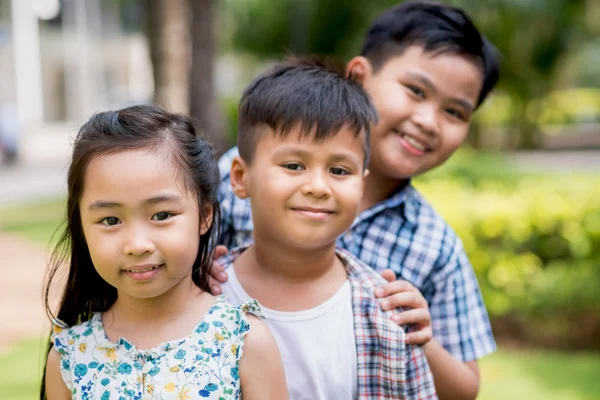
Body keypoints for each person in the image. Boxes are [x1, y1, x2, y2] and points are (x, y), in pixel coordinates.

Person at [211, 2, 501, 399]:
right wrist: (193, 272)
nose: (428, 121)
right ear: (361, 76)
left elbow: (465, 390)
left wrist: (417, 336)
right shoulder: (244, 174)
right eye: (416, 91)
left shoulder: (434, 245)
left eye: (454, 112)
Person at [217, 57, 437, 399]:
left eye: (339, 171)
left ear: (361, 186)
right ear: (241, 177)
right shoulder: (201, 295)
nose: (318, 186)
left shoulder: (384, 316)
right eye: (294, 165)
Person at [40, 105, 288, 400]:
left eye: (161, 215)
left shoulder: (242, 342)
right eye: (110, 220)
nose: (137, 244)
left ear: (204, 216)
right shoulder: (70, 357)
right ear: (81, 225)